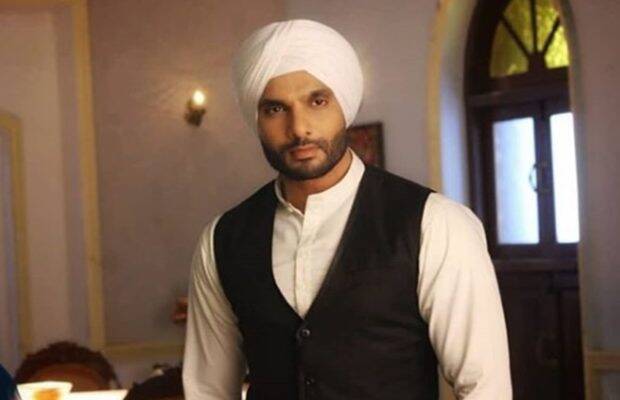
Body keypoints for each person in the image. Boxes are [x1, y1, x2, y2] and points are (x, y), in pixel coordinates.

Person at [182, 19, 511, 400]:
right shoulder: (222, 240)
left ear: (344, 106)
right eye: (275, 108)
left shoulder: (436, 224)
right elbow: (207, 390)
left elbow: (484, 387)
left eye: (317, 101)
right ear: (256, 120)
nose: (299, 128)